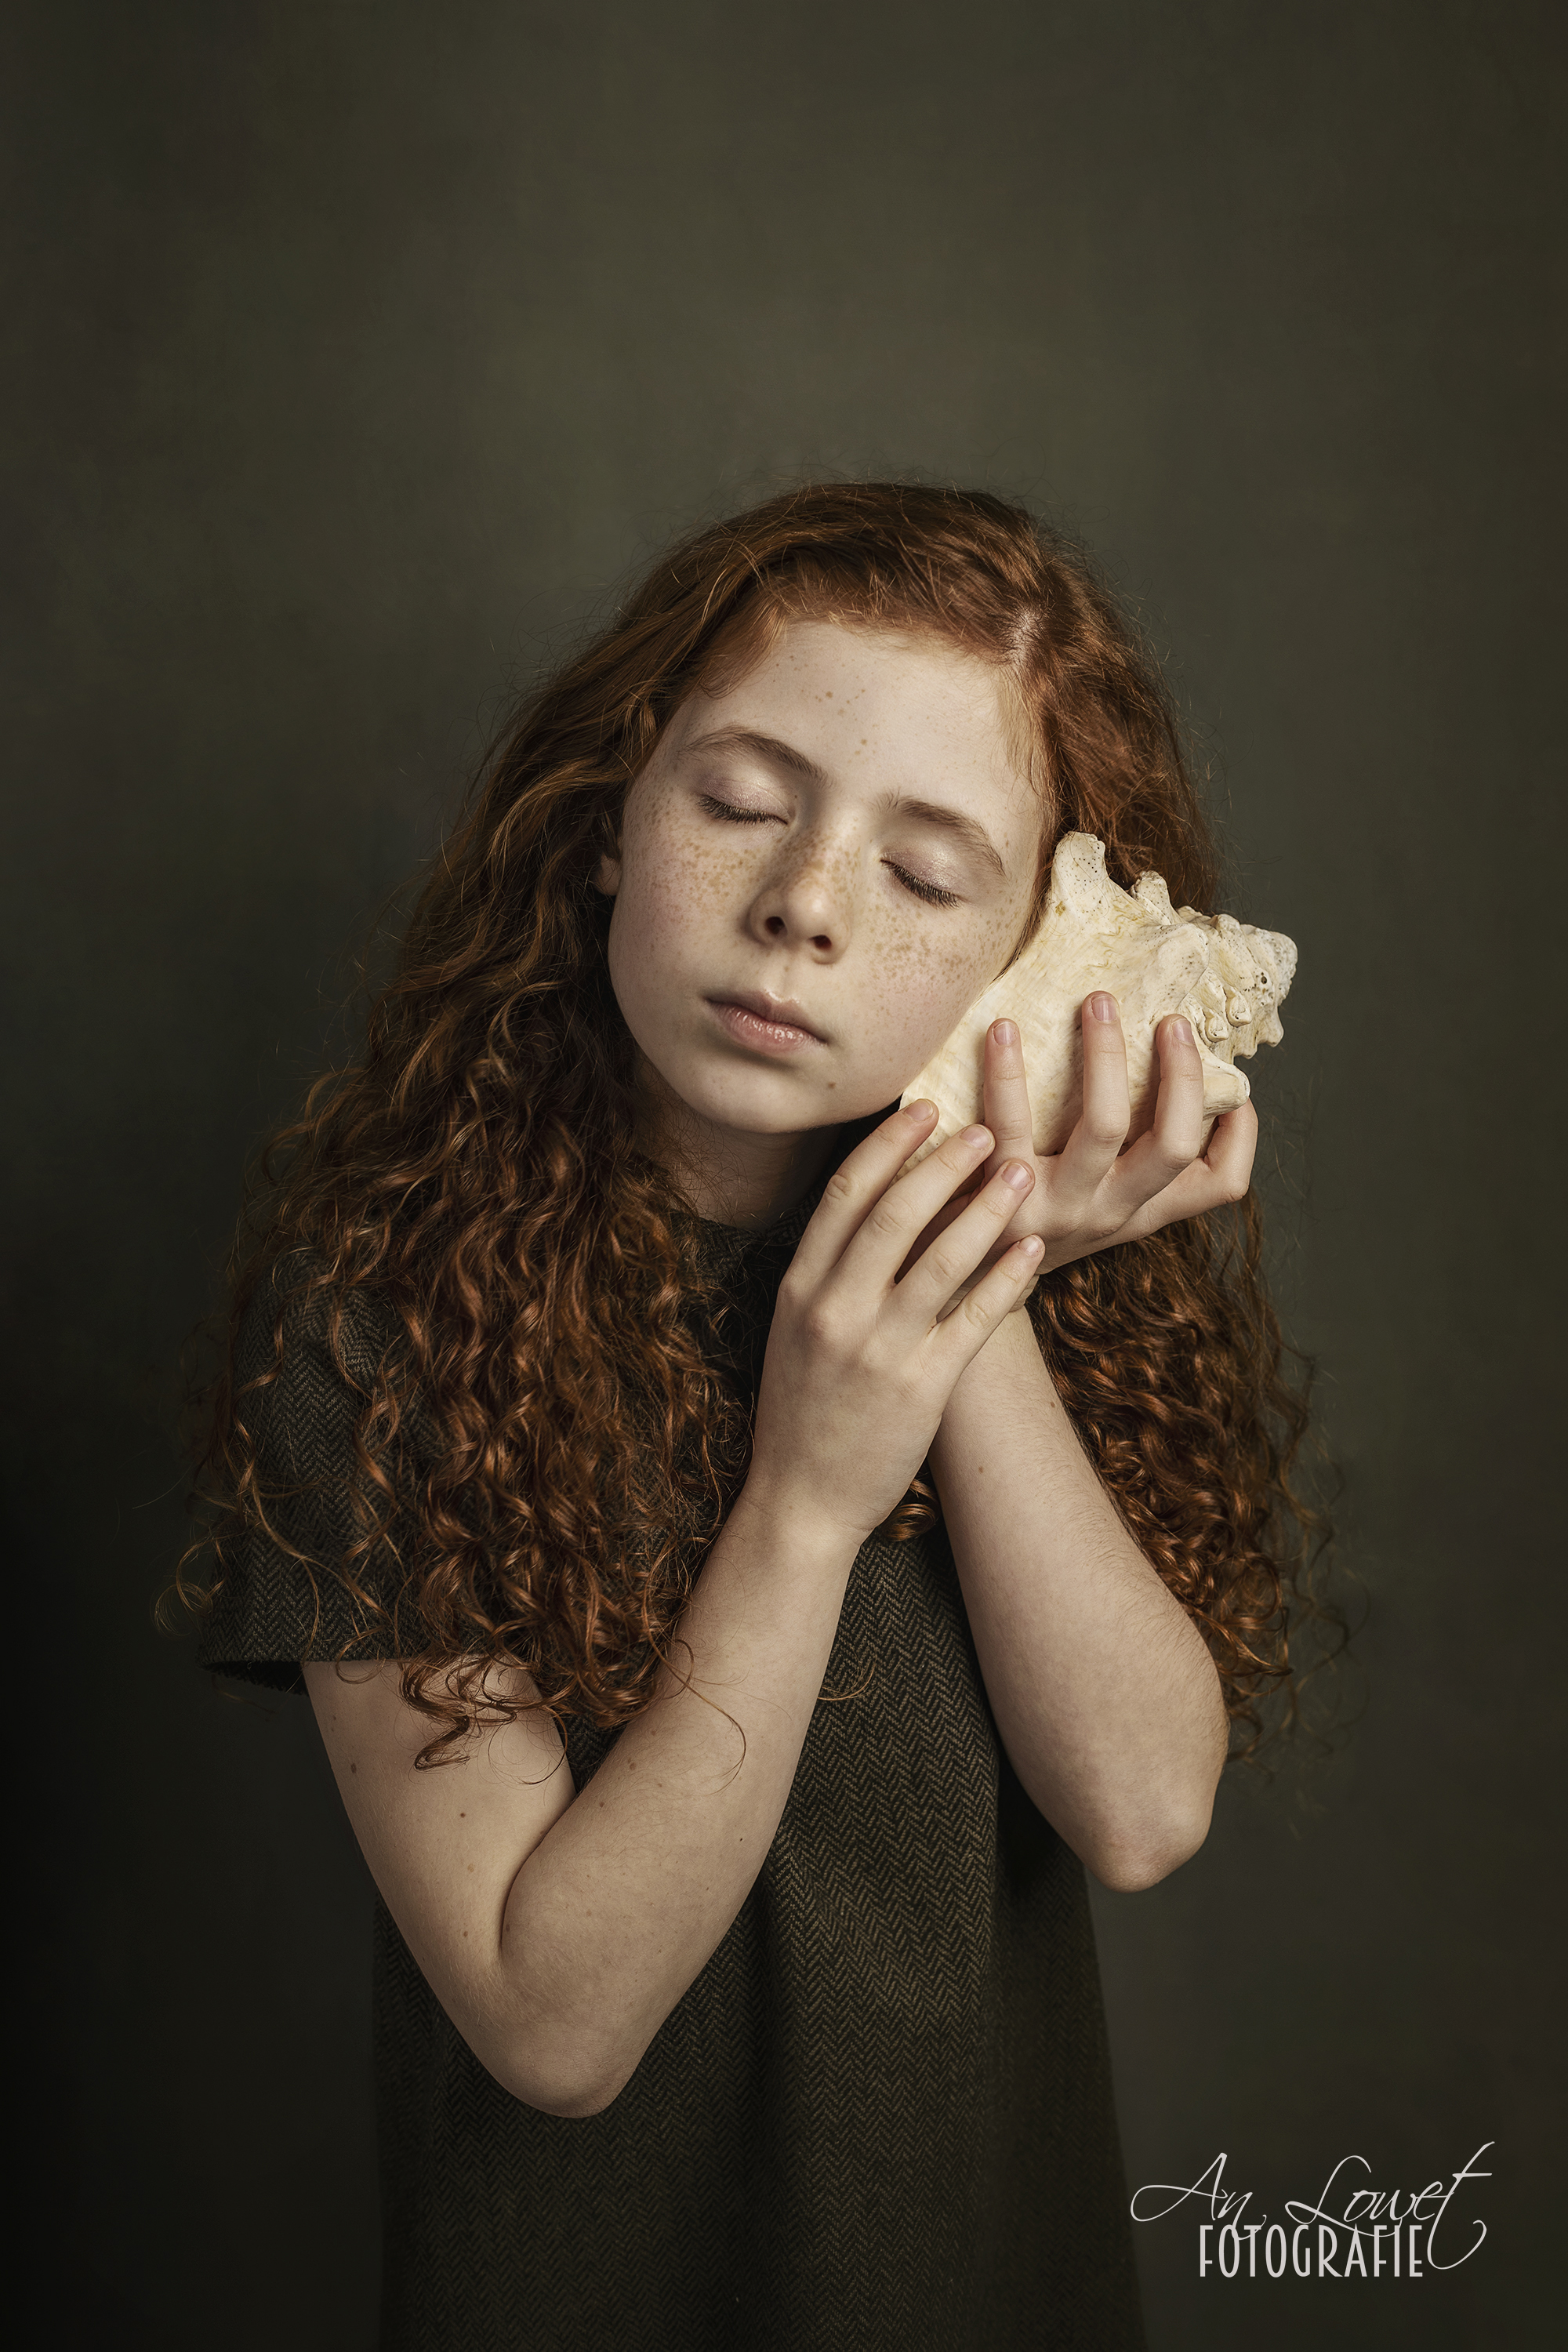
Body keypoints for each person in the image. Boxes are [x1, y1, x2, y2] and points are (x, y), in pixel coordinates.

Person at [176, 481, 1315, 2350]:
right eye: (740, 801)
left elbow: (1137, 1807)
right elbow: (551, 2024)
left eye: (925, 876)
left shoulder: (1017, 1275)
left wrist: (970, 1257)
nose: (804, 904)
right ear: (610, 819)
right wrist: (804, 1499)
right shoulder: (378, 1326)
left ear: (1027, 949)